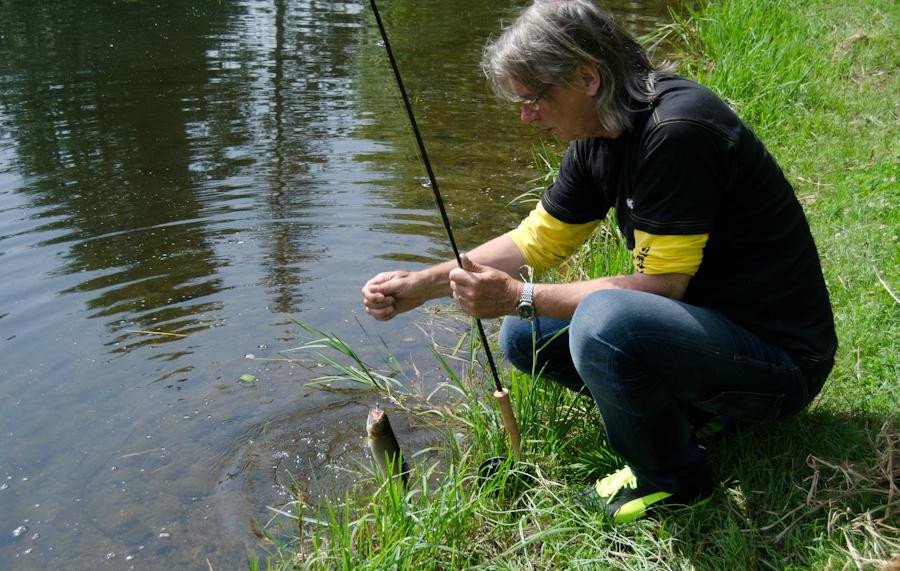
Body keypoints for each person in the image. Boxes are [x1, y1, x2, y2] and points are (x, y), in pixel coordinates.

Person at [362, 0, 836, 523]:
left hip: (782, 363)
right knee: (525, 337)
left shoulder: (676, 133)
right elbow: (535, 242)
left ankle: (674, 481)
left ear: (587, 76)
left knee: (602, 323)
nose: (525, 115)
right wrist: (424, 283)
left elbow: (662, 289)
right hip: (714, 338)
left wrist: (517, 296)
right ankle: (696, 415)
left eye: (533, 98)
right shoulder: (599, 137)